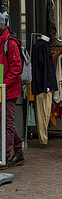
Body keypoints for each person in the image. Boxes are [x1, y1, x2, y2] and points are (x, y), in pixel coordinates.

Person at [0, 14, 24, 167]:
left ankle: (5, 155)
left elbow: (16, 68)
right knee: (7, 122)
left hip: (8, 90)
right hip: (3, 88)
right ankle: (18, 151)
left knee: (7, 122)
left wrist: (4, 83)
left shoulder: (10, 42)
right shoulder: (3, 41)